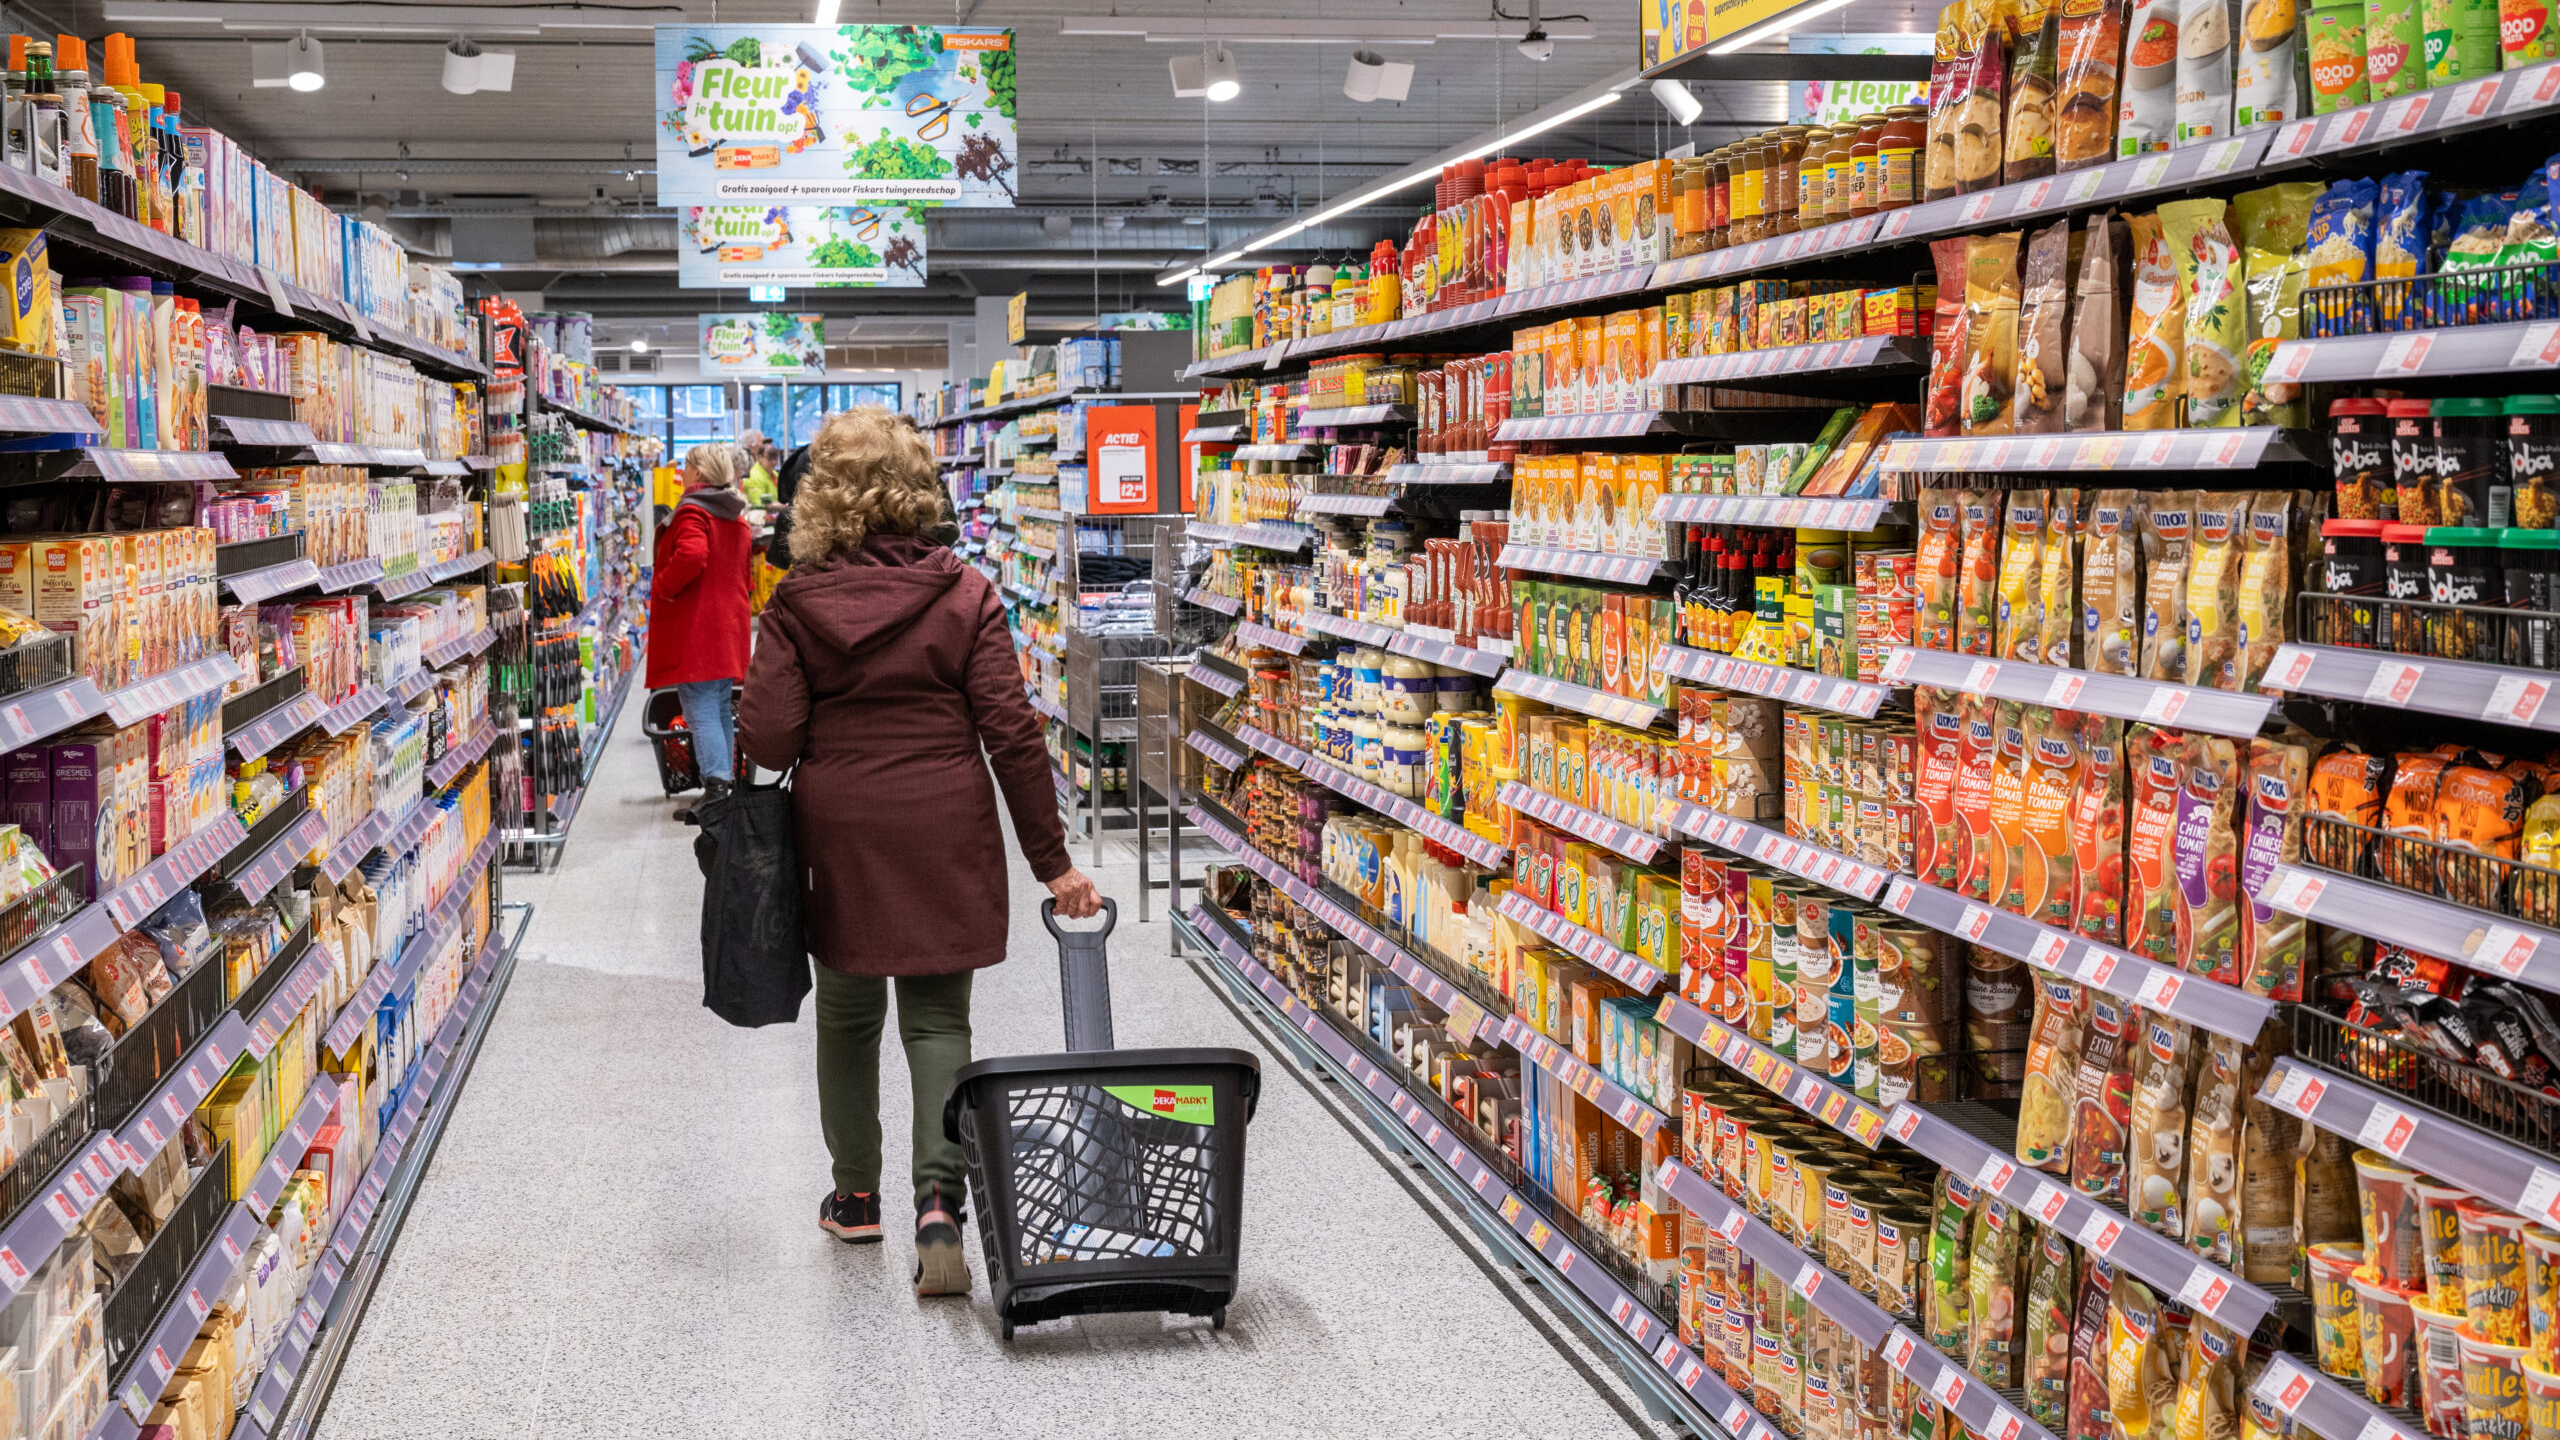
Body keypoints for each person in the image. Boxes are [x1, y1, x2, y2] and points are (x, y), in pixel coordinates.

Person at [739, 407, 1102, 1299]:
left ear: (819, 499)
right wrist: (1052, 862)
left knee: (848, 1016)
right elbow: (1012, 734)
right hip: (946, 822)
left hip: (842, 831)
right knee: (940, 1023)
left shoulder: (794, 604)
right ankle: (940, 1203)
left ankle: (855, 1194)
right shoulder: (967, 592)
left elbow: (772, 740)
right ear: (920, 493)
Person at [648, 442, 755, 819]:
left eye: (687, 465)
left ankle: (717, 787)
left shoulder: (694, 511)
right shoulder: (733, 513)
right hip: (728, 623)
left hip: (699, 626)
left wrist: (663, 585)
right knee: (720, 707)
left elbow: (692, 555)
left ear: (698, 471)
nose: (682, 472)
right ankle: (726, 781)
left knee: (699, 707)